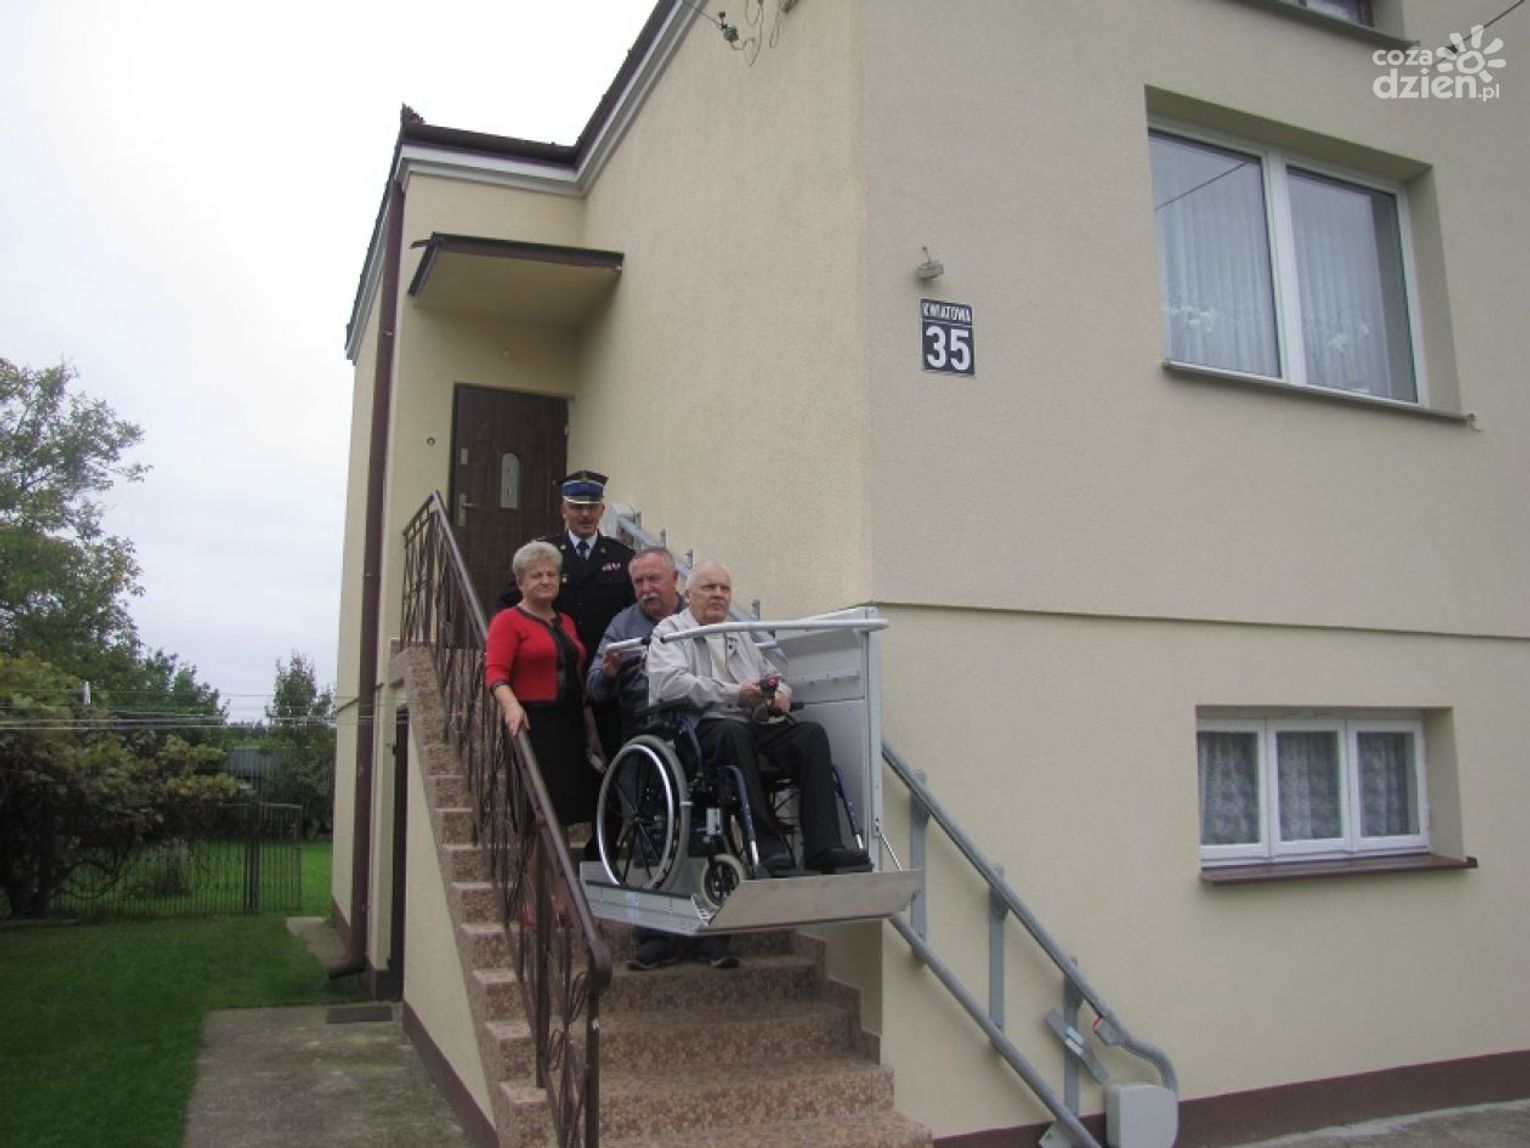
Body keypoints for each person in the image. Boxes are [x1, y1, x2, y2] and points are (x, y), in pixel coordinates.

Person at [646, 560, 871, 878]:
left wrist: (779, 695)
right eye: (709, 587)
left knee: (810, 735)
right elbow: (670, 684)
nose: (718, 594)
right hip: (699, 729)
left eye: (724, 588)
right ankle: (767, 847)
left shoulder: (738, 635)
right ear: (688, 594)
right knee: (732, 733)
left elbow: (773, 676)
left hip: (749, 724)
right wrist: (735, 693)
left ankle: (824, 847)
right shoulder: (669, 632)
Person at [586, 547, 739, 971]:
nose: (646, 589)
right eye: (638, 582)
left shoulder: (699, 619)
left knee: (709, 830)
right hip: (648, 734)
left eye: (654, 579)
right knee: (650, 837)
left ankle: (712, 932)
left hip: (700, 726)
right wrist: (610, 672)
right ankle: (655, 938)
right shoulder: (623, 625)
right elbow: (594, 686)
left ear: (676, 582)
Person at [494, 469, 635, 759]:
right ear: (563, 510)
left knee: (616, 758)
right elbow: (506, 606)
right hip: (562, 683)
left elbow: (636, 611)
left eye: (591, 507)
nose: (584, 515)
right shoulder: (543, 556)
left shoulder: (622, 558)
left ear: (601, 510)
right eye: (576, 507)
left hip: (608, 678)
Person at [484, 540, 603, 833]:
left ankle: (561, 863)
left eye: (551, 574)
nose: (546, 581)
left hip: (569, 723)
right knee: (537, 812)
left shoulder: (566, 622)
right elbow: (495, 671)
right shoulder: (508, 621)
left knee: (565, 809)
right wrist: (511, 706)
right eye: (536, 576)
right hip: (534, 722)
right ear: (520, 583)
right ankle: (536, 863)